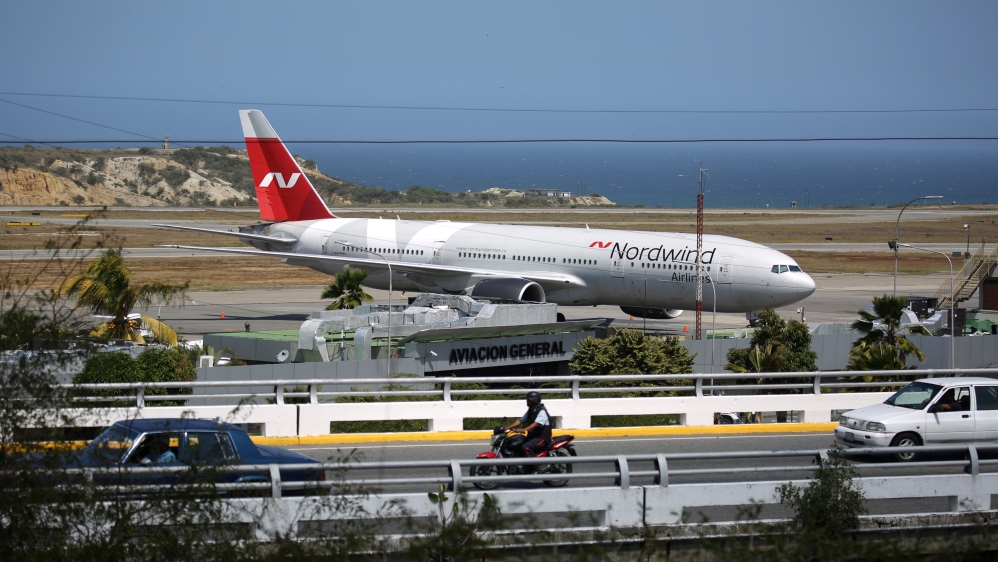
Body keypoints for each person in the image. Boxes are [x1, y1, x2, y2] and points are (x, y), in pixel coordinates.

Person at [504, 391, 552, 457]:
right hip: (533, 437)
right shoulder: (531, 410)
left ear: (534, 401)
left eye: (528, 400)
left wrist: (524, 429)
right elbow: (520, 421)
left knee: (526, 447)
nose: (526, 401)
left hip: (542, 439)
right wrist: (507, 428)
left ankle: (533, 466)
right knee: (517, 444)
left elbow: (536, 424)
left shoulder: (541, 411)